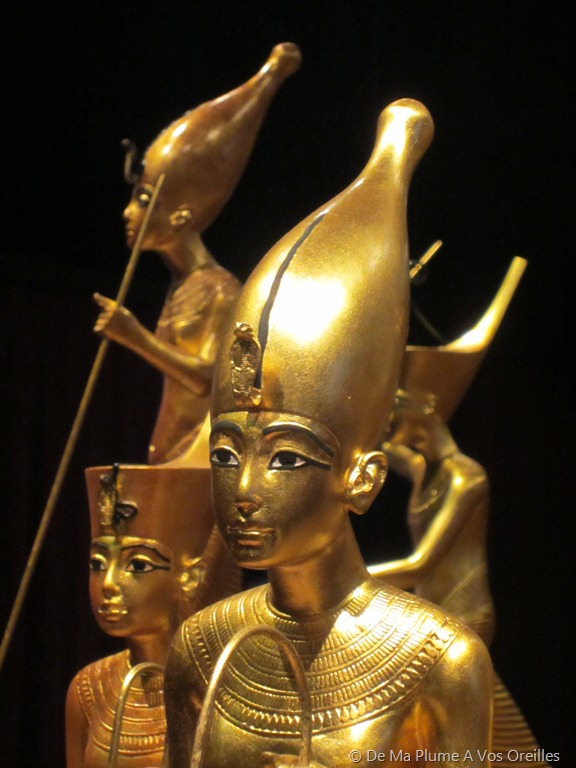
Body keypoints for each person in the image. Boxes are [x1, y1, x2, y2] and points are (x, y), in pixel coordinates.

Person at [164, 99, 493, 768]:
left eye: (285, 458)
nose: (244, 490)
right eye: (225, 454)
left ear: (363, 479)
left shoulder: (440, 659)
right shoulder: (199, 647)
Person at [368, 256, 551, 767]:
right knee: (450, 733)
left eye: (397, 404)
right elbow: (367, 446)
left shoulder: (468, 478)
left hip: (463, 615)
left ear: (427, 407)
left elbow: (420, 564)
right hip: (431, 614)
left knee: (460, 734)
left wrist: (348, 579)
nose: (389, 417)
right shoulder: (422, 470)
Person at [93, 43, 302, 464]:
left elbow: (207, 378)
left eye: (144, 199)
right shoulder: (184, 286)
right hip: (169, 451)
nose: (129, 212)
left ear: (181, 216)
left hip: (196, 455)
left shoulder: (220, 290)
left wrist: (134, 336)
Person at [65, 454, 241, 768]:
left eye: (137, 566)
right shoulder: (87, 688)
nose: (108, 583)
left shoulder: (223, 690)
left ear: (190, 577)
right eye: (98, 564)